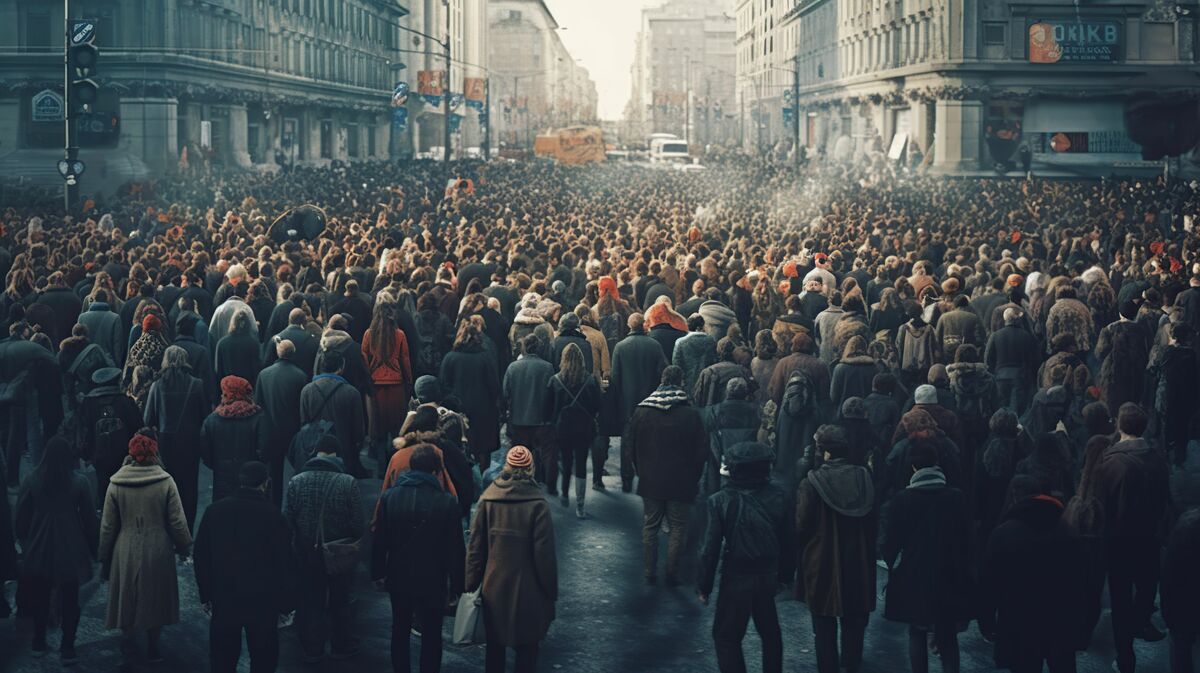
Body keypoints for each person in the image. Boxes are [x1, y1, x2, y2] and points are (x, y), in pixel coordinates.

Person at [98, 429, 193, 663]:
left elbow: (108, 525)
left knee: (127, 595)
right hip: (157, 545)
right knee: (156, 597)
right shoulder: (165, 481)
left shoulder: (116, 483)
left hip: (126, 546)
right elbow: (178, 521)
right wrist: (184, 547)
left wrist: (103, 555)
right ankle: (153, 647)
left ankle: (129, 641)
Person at [697, 441, 791, 673]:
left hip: (736, 576)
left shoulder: (719, 500)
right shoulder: (781, 496)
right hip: (768, 575)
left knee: (727, 636)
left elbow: (710, 548)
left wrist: (704, 586)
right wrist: (785, 577)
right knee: (770, 633)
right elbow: (790, 541)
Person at [193, 461, 294, 673]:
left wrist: (206, 594)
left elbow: (201, 556)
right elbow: (284, 563)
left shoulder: (215, 511)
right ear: (265, 484)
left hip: (224, 596)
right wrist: (285, 604)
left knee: (222, 658)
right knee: (263, 658)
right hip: (263, 600)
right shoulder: (274, 516)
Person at [980, 477, 1089, 673]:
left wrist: (987, 621)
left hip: (1018, 622)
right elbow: (1082, 580)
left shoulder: (1003, 534)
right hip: (1060, 621)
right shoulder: (1066, 531)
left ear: (1014, 497)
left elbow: (988, 583)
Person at [879, 441, 971, 673]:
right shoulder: (956, 497)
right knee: (948, 635)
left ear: (912, 468)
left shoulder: (902, 500)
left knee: (917, 631)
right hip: (950, 574)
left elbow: (890, 542)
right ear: (937, 464)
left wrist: (893, 567)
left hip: (914, 574)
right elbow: (967, 539)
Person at [372, 445, 465, 673]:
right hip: (433, 579)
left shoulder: (389, 498)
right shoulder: (447, 503)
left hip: (399, 575)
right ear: (436, 472)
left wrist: (378, 573)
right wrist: (458, 585)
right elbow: (455, 549)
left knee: (399, 629)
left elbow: (380, 541)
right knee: (432, 633)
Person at [466, 446, 558, 673]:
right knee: (527, 650)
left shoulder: (488, 501)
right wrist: (550, 591)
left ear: (506, 467)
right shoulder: (538, 505)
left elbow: (475, 548)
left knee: (494, 649)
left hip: (493, 587)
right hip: (529, 591)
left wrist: (470, 583)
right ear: (531, 468)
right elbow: (544, 556)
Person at [794, 424, 875, 673]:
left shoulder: (811, 483)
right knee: (855, 621)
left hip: (822, 560)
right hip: (858, 559)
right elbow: (874, 519)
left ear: (825, 452)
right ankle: (851, 664)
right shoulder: (864, 476)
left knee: (823, 623)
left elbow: (801, 525)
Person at [1096, 403, 1171, 672]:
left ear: (1119, 425)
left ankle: (1125, 657)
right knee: (1147, 588)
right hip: (1149, 538)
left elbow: (1101, 505)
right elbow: (1166, 499)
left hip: (1118, 541)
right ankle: (1140, 621)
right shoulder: (1158, 458)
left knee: (1120, 599)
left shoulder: (1110, 460)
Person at [14, 436, 98, 663]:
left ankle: (39, 641)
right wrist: (95, 549)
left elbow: (20, 519)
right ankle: (67, 647)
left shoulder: (31, 480)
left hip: (39, 547)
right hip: (70, 547)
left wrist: (25, 542)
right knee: (71, 599)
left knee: (40, 597)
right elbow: (90, 521)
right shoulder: (79, 483)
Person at [284, 435, 365, 663]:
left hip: (305, 551)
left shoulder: (296, 482)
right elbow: (358, 524)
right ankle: (342, 645)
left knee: (311, 600)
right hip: (339, 552)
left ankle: (312, 647)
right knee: (341, 599)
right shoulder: (348, 482)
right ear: (337, 455)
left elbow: (287, 522)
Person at [626, 365, 708, 585]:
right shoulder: (690, 414)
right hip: (681, 481)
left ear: (661, 380)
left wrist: (639, 469)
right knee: (678, 526)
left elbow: (630, 446)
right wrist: (694, 476)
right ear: (681, 382)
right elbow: (701, 450)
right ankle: (672, 573)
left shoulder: (642, 411)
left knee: (650, 525)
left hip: (650, 478)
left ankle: (649, 570)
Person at [143, 345, 210, 530]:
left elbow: (148, 419)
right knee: (189, 488)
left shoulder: (157, 386)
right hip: (190, 443)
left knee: (167, 488)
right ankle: (186, 529)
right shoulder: (196, 384)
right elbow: (204, 417)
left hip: (166, 444)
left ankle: (169, 528)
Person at [610, 312, 668, 492]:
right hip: (650, 402)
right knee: (649, 441)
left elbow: (615, 378)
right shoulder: (654, 345)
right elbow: (663, 372)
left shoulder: (620, 347)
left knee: (627, 442)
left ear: (629, 326)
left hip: (627, 404)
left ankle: (626, 479)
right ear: (643, 325)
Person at [545, 342, 602, 517]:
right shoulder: (590, 380)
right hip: (584, 428)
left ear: (563, 359)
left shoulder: (555, 380)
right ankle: (580, 505)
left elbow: (548, 408)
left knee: (567, 461)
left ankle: (564, 493)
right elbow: (596, 406)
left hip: (563, 428)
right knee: (581, 464)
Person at [440, 319, 501, 467]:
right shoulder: (485, 357)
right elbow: (494, 385)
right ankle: (483, 477)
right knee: (483, 447)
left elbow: (443, 384)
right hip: (484, 408)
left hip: (459, 409)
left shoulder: (450, 357)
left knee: (461, 444)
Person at [254, 339, 308, 505]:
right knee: (297, 471)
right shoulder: (301, 376)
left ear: (278, 352)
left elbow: (258, 404)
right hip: (292, 431)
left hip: (271, 431)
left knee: (274, 473)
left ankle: (273, 506)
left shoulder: (264, 374)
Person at [201, 375, 270, 504]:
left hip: (222, 479)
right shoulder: (259, 417)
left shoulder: (212, 420)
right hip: (251, 479)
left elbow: (205, 451)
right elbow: (265, 449)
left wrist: (217, 464)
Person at [299, 350, 368, 478]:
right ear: (341, 368)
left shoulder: (307, 390)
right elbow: (358, 429)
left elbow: (304, 421)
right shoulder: (352, 392)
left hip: (313, 449)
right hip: (344, 451)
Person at [362, 305, 413, 472]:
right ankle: (395, 467)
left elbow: (364, 360)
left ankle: (381, 468)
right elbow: (405, 360)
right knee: (396, 428)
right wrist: (409, 383)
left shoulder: (369, 335)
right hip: (396, 385)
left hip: (375, 387)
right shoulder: (399, 335)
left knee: (379, 429)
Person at [503, 334, 556, 493]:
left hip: (519, 419)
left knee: (520, 453)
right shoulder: (547, 367)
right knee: (546, 452)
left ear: (524, 348)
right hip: (542, 420)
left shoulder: (513, 367)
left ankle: (520, 483)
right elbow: (552, 393)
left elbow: (505, 393)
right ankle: (547, 484)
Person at [1163, 509, 1200, 673]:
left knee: (1181, 652)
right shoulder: (1187, 526)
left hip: (1183, 609)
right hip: (1184, 606)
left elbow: (1170, 576)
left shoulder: (1186, 526)